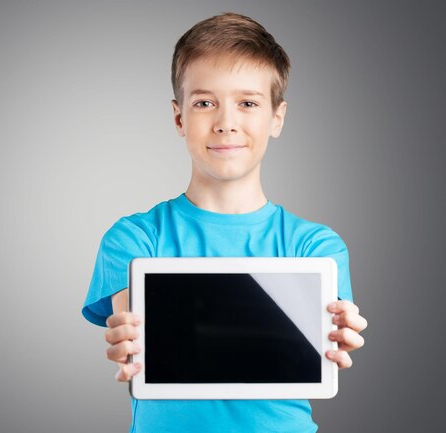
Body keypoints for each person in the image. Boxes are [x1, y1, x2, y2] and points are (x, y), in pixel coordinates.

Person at [81, 12, 367, 433]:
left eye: (248, 103)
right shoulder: (136, 238)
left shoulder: (315, 247)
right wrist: (129, 343)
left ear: (277, 117)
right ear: (179, 118)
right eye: (204, 102)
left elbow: (325, 343)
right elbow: (139, 350)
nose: (225, 121)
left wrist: (340, 332)